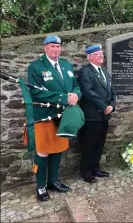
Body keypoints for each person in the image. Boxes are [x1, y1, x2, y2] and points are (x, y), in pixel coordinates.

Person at [27, 35, 82, 201]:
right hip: (44, 116)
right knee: (43, 152)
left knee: (58, 149)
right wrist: (63, 98)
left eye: (58, 47)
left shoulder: (65, 65)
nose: (56, 50)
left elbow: (76, 85)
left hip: (63, 116)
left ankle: (53, 181)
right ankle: (40, 186)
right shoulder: (36, 67)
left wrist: (76, 95)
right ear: (45, 48)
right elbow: (36, 92)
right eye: (52, 46)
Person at [77, 44, 116, 183]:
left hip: (104, 115)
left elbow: (112, 90)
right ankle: (85, 171)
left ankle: (95, 168)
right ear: (90, 57)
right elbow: (88, 92)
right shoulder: (85, 72)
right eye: (98, 54)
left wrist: (112, 105)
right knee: (89, 144)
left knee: (99, 143)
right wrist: (103, 106)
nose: (101, 56)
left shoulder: (104, 71)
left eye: (102, 54)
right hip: (91, 115)